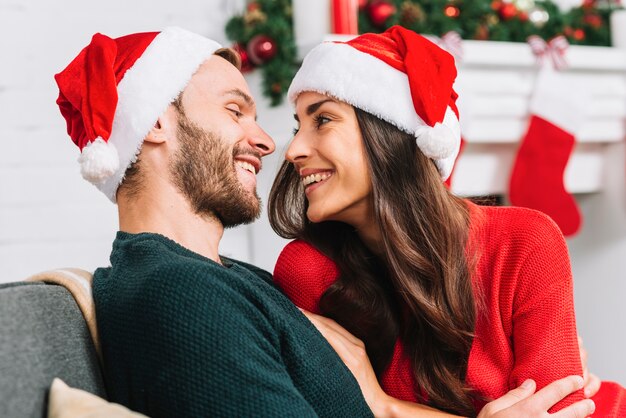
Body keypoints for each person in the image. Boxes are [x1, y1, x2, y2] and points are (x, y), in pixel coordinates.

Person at [54, 27, 597, 417]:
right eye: (234, 110)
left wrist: (384, 405)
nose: (276, 145)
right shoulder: (185, 294)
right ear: (153, 123)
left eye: (321, 120)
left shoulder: (239, 283)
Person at [269, 26, 625, 417]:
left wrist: (385, 407)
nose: (295, 150)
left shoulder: (525, 240)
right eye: (296, 126)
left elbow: (562, 411)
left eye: (322, 120)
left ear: (390, 134)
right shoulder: (307, 271)